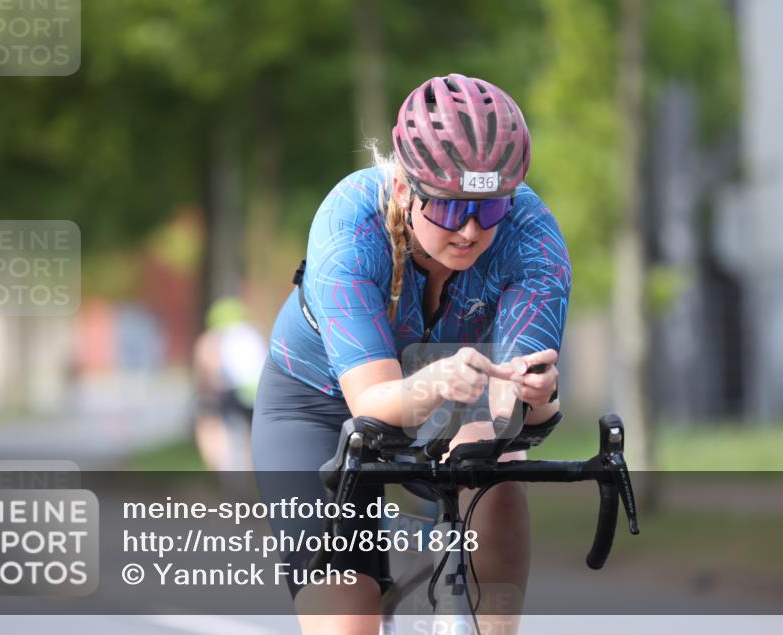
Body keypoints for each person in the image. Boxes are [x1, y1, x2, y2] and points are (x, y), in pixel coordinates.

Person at [253, 74, 568, 635]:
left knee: (495, 476)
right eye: (449, 210)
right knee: (348, 620)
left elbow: (521, 402)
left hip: (452, 383)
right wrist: (443, 388)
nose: (471, 230)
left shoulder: (531, 235)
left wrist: (528, 400)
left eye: (489, 209)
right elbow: (372, 402)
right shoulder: (351, 224)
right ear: (404, 190)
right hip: (321, 402)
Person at [193, 297, 267, 472]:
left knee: (214, 428)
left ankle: (224, 469)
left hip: (230, 391)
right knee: (251, 437)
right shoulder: (252, 333)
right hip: (258, 391)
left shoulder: (213, 339)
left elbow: (208, 370)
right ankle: (251, 474)